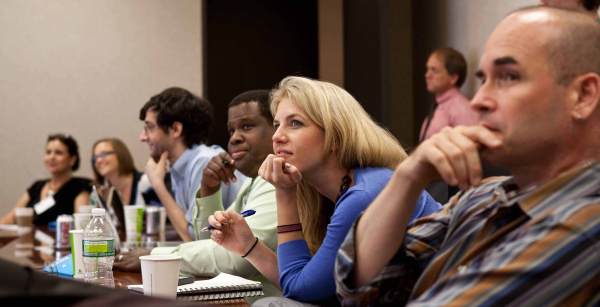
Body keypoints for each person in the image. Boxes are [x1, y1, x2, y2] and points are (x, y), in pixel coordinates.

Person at [335, 6, 600, 306]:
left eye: (509, 77)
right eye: (483, 79)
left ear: (583, 95)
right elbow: (357, 285)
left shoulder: (585, 222)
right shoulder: (483, 196)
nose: (478, 101)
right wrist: (408, 176)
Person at [208, 77, 441, 304]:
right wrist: (248, 245)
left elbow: (300, 290)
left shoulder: (364, 194)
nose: (277, 136)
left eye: (295, 123)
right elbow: (316, 285)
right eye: (277, 125)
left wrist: (284, 193)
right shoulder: (329, 192)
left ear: (335, 136)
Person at [115, 90, 280, 294]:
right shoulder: (254, 180)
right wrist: (208, 190)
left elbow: (235, 255)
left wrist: (155, 254)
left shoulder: (276, 180)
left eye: (246, 126)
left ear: (277, 131)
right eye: (231, 130)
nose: (234, 138)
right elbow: (211, 241)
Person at [139, 87, 245, 241]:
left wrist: (158, 184)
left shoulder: (204, 162)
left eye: (149, 127)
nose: (142, 137)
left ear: (175, 129)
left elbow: (197, 238)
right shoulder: (181, 166)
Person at [1, 134, 91, 226]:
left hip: (61, 239)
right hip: (28, 239)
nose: (51, 157)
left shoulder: (80, 187)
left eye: (58, 153)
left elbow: (82, 226)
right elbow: (11, 217)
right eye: (48, 152)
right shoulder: (37, 186)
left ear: (72, 159)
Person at [91, 138, 160, 236]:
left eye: (104, 154)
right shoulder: (106, 193)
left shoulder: (146, 183)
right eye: (95, 157)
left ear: (120, 155)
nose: (98, 160)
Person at [419, 47, 477, 141]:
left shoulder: (461, 109)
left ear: (453, 78)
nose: (427, 75)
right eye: (428, 69)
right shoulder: (440, 104)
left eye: (434, 70)